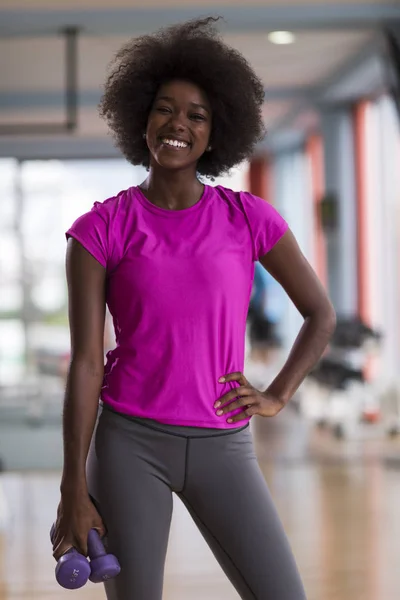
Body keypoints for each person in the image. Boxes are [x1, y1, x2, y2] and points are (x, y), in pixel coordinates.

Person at [52, 16, 336, 600]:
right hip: (129, 443)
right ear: (142, 119)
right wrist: (71, 490)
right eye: (164, 108)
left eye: (196, 114)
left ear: (215, 132)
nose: (177, 123)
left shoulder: (249, 218)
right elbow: (86, 363)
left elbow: (320, 314)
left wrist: (278, 393)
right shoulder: (100, 229)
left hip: (223, 444)